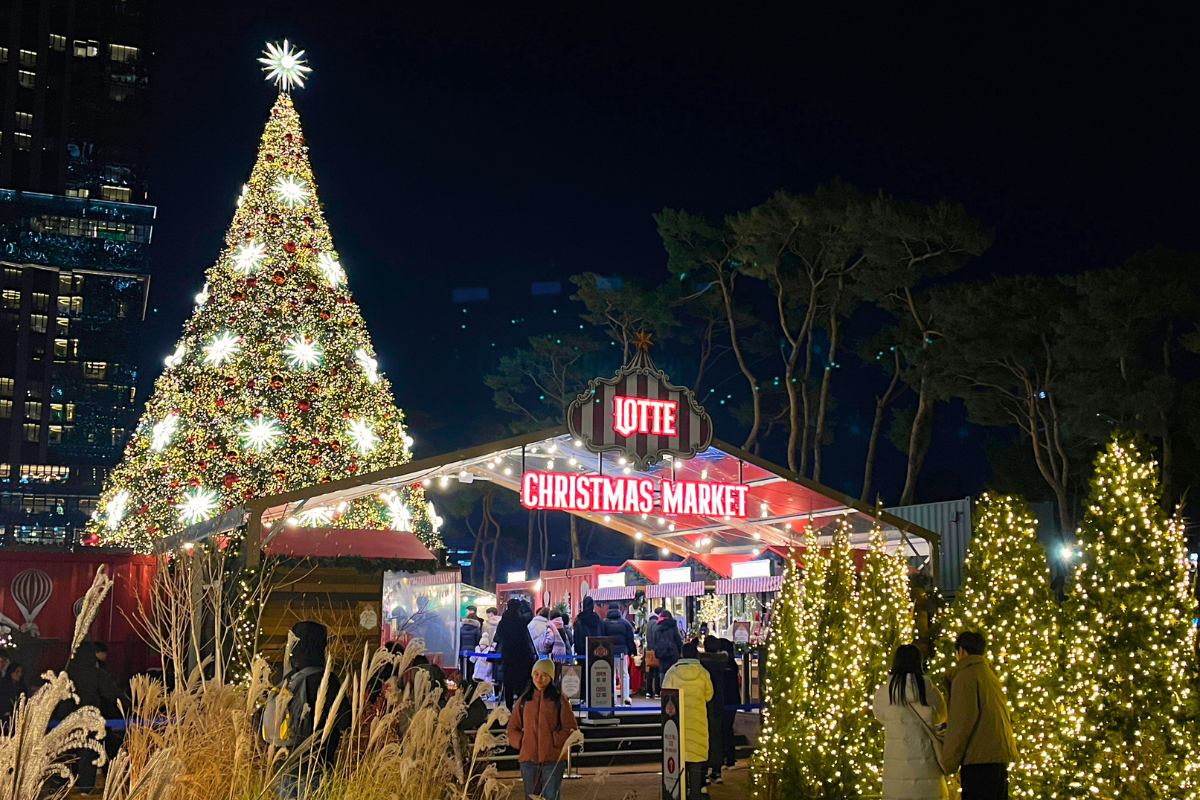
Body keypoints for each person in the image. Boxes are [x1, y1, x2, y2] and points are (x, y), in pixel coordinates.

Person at [275, 621, 351, 799]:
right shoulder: (326, 679)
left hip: (284, 769)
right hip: (316, 768)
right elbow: (345, 720)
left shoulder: (284, 677)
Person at [943, 631, 1017, 800]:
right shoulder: (988, 674)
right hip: (997, 758)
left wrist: (948, 762)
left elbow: (961, 723)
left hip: (978, 760)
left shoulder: (966, 676)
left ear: (961, 651)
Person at [872, 644, 949, 800]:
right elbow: (942, 716)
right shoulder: (928, 689)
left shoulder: (885, 692)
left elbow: (880, 716)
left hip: (897, 770)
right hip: (927, 768)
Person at [51, 641, 126, 794]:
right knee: (88, 751)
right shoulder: (96, 673)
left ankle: (66, 786)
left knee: (68, 752)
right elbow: (112, 693)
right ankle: (85, 788)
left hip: (66, 721)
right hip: (89, 719)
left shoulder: (65, 673)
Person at [507, 658, 579, 800]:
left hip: (552, 759)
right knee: (531, 797)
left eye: (544, 675)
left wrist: (554, 740)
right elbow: (512, 728)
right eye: (536, 674)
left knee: (551, 797)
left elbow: (570, 727)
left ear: (551, 677)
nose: (539, 678)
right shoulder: (524, 701)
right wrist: (521, 742)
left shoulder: (559, 700)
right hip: (528, 759)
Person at [662, 642, 713, 800]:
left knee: (679, 757)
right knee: (696, 757)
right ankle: (696, 792)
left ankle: (680, 791)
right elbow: (709, 695)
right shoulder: (703, 672)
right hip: (697, 720)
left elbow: (665, 695)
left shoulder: (672, 672)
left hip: (677, 721)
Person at [496, 598, 538, 710]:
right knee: (521, 683)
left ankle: (509, 706)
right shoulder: (521, 621)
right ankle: (521, 706)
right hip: (522, 656)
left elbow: (498, 636)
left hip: (508, 656)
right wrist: (524, 602)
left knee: (508, 683)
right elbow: (530, 614)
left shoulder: (503, 623)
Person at [698, 636, 730, 783]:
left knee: (704, 736)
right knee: (717, 736)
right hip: (719, 701)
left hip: (704, 701)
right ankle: (717, 770)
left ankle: (703, 770)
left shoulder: (701, 662)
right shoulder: (724, 661)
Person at [602, 603, 637, 706]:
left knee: (611, 675)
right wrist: (632, 651)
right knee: (624, 674)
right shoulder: (625, 623)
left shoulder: (604, 623)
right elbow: (630, 639)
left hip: (609, 652)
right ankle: (626, 697)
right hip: (622, 653)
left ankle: (612, 699)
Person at [572, 596, 604, 702]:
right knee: (595, 673)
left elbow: (576, 637)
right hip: (596, 650)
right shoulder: (598, 619)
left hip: (582, 651)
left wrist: (578, 649)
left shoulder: (579, 619)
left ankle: (583, 696)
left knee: (583, 674)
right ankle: (594, 695)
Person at [718, 639, 739, 769]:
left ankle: (725, 757)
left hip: (724, 700)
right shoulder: (733, 664)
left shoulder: (723, 664)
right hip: (733, 700)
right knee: (727, 729)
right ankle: (729, 757)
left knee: (723, 729)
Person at [654, 609, 684, 679]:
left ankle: (662, 685)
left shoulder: (657, 628)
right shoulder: (673, 627)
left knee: (663, 675)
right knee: (673, 677)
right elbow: (678, 641)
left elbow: (655, 642)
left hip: (662, 655)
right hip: (673, 655)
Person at [460, 607, 483, 684]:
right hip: (473, 652)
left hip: (462, 651)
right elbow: (478, 641)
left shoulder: (461, 629)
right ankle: (471, 685)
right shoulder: (477, 629)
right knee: (472, 669)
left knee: (463, 669)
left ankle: (463, 685)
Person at [644, 608, 663, 698]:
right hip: (655, 650)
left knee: (650, 671)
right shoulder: (655, 623)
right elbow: (656, 636)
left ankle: (648, 691)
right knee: (657, 671)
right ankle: (657, 692)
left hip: (649, 650)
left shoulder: (649, 623)